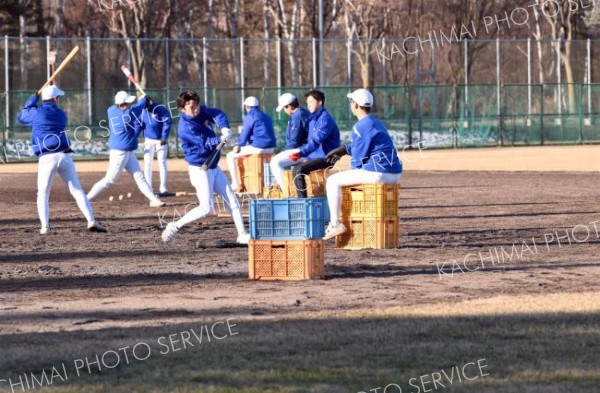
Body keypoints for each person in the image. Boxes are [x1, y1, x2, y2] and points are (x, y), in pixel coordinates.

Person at [161, 90, 251, 244]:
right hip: (200, 169)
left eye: (196, 105)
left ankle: (242, 234)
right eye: (191, 107)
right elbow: (204, 143)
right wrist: (220, 139)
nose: (196, 109)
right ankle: (174, 226)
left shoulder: (200, 110)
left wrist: (224, 128)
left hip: (213, 166)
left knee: (232, 200)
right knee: (206, 208)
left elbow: (217, 114)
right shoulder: (185, 128)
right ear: (182, 109)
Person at [16, 85, 107, 234]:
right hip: (64, 154)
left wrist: (31, 100)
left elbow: (21, 116)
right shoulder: (61, 114)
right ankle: (91, 220)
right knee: (77, 190)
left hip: (47, 156)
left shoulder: (37, 113)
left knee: (43, 193)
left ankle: (45, 227)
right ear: (55, 99)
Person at [322, 89, 402, 240]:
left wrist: (347, 164)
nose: (351, 104)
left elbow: (358, 161)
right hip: (394, 173)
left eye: (351, 101)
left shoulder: (360, 126)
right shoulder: (376, 122)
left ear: (356, 105)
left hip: (378, 173)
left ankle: (335, 224)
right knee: (342, 178)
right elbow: (368, 146)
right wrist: (345, 149)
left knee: (333, 181)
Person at [86, 91, 166, 207]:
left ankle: (153, 199)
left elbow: (135, 108)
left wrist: (143, 100)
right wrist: (144, 99)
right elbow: (137, 108)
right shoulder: (127, 115)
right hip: (120, 153)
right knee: (109, 180)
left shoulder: (111, 110)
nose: (129, 104)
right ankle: (86, 199)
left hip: (128, 151)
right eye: (127, 103)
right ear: (121, 105)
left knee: (139, 176)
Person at [288, 90, 340, 198]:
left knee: (298, 171)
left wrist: (301, 153)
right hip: (315, 156)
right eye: (307, 103)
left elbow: (315, 142)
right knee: (292, 168)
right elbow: (310, 141)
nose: (308, 105)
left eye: (311, 102)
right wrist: (304, 155)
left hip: (327, 158)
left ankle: (303, 203)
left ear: (320, 102)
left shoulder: (325, 119)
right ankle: (291, 195)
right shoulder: (313, 119)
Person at [226, 96, 276, 193]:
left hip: (259, 147)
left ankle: (235, 183)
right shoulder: (267, 116)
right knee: (266, 163)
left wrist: (239, 145)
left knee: (230, 156)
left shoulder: (249, 116)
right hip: (271, 147)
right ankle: (270, 183)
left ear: (247, 107)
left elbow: (245, 134)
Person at [269, 93, 310, 188]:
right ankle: (280, 184)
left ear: (289, 106)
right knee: (283, 162)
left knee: (275, 162)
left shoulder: (297, 116)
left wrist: (284, 152)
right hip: (306, 149)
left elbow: (293, 142)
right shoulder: (302, 112)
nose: (284, 110)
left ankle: (286, 190)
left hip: (303, 150)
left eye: (284, 108)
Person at [140, 98, 173, 197]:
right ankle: (148, 188)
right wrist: (133, 137)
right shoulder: (142, 111)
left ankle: (163, 188)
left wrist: (164, 137)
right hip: (148, 140)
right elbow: (139, 125)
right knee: (147, 163)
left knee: (162, 162)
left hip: (160, 140)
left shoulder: (161, 109)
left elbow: (167, 123)